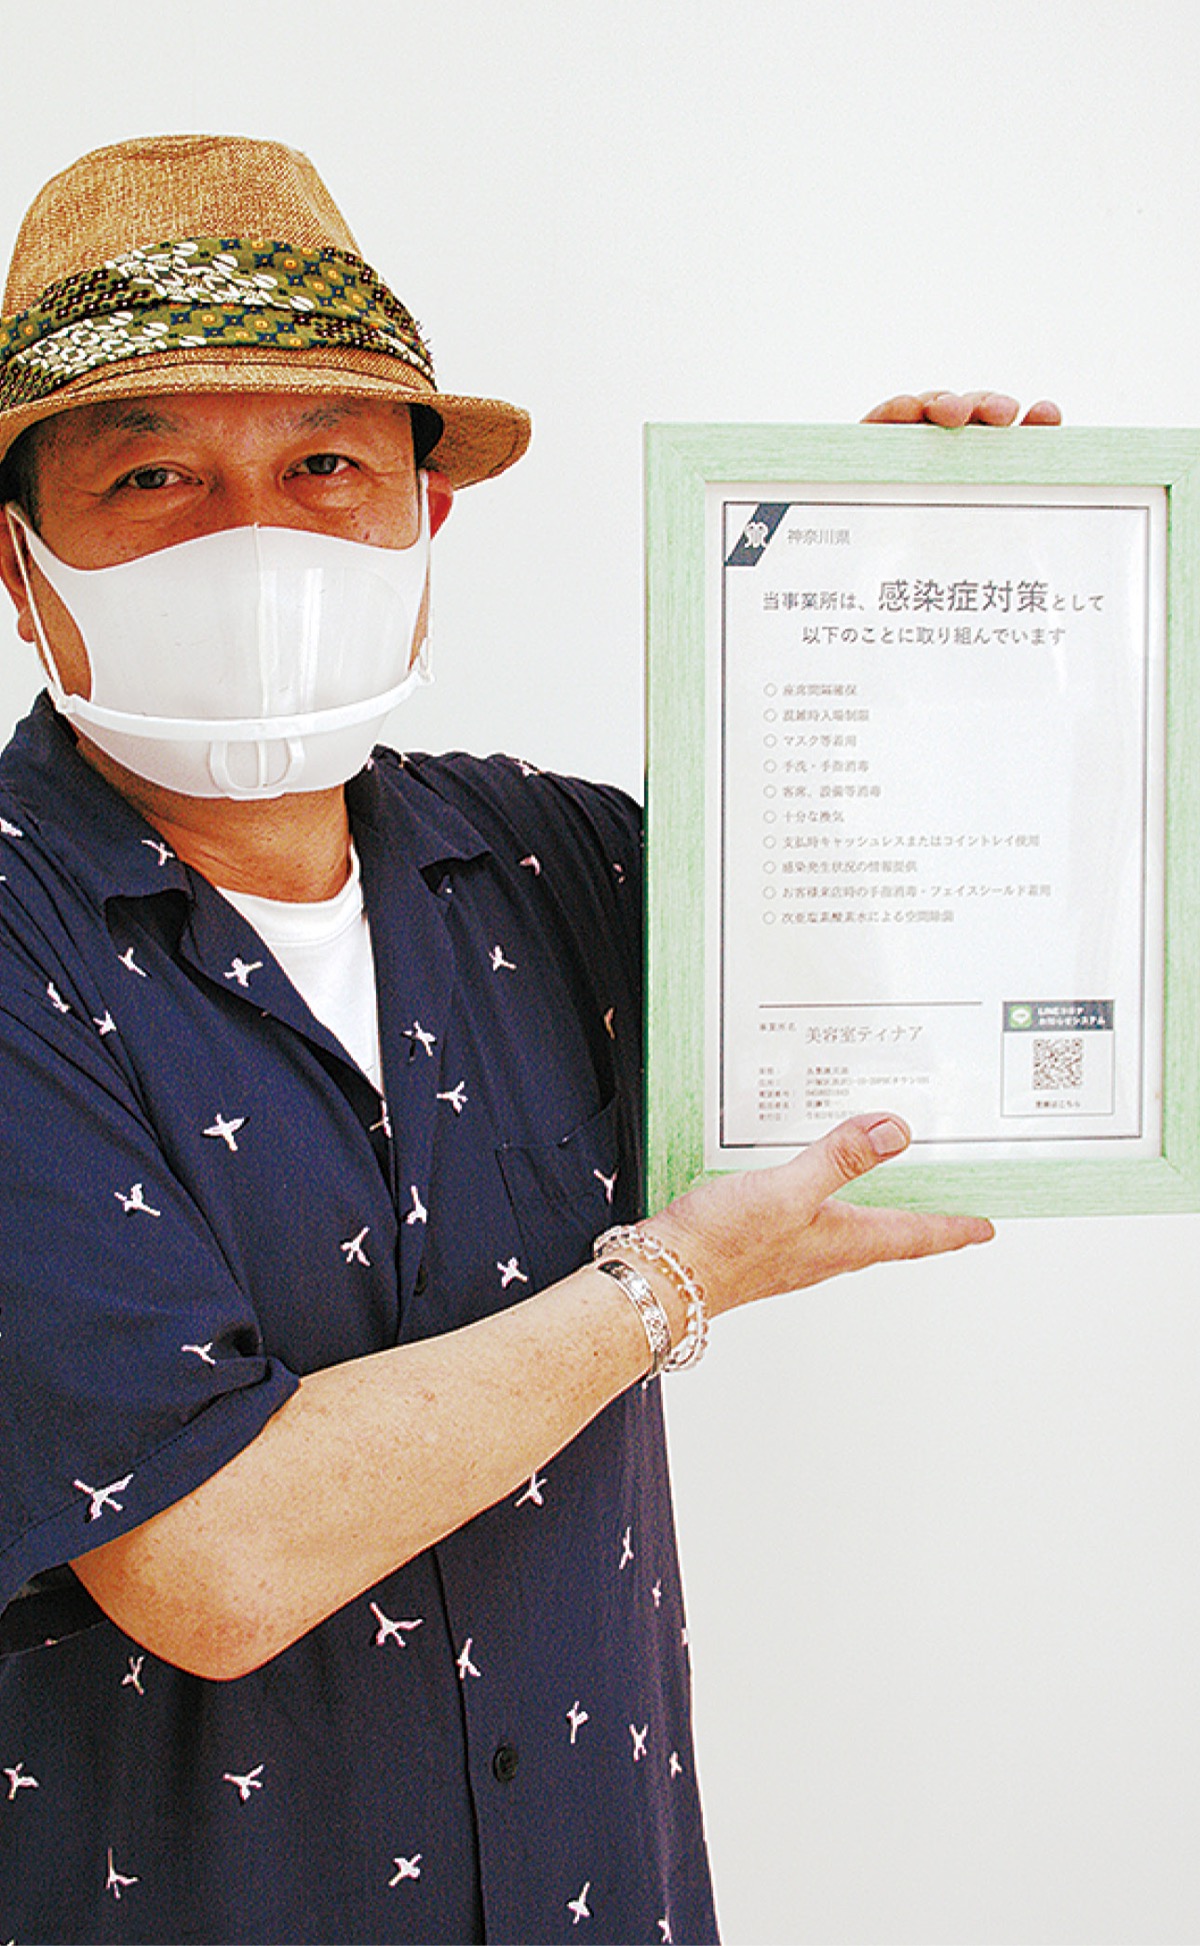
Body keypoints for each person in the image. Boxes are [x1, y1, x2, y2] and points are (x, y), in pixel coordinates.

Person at [0, 134, 1005, 1945]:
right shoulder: (19, 939)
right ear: (19, 558)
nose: (256, 536)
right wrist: (665, 1286)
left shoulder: (555, 860)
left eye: (325, 462)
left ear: (426, 515)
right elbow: (212, 1556)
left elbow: (908, 979)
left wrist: (876, 598)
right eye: (154, 473)